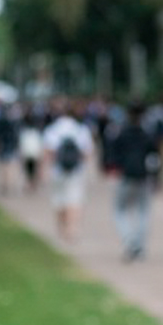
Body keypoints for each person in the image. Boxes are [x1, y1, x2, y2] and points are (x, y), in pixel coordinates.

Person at [111, 102, 161, 262]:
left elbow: (113, 155)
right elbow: (155, 158)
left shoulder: (121, 133)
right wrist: (157, 177)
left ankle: (129, 241)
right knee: (143, 211)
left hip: (126, 176)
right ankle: (138, 244)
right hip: (143, 176)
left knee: (120, 210)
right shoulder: (148, 135)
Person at [42, 103, 95, 242]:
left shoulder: (52, 129)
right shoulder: (81, 130)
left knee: (59, 200)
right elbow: (87, 152)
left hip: (57, 170)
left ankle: (63, 226)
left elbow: (48, 152)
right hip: (76, 170)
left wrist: (44, 170)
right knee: (74, 199)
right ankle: (72, 228)